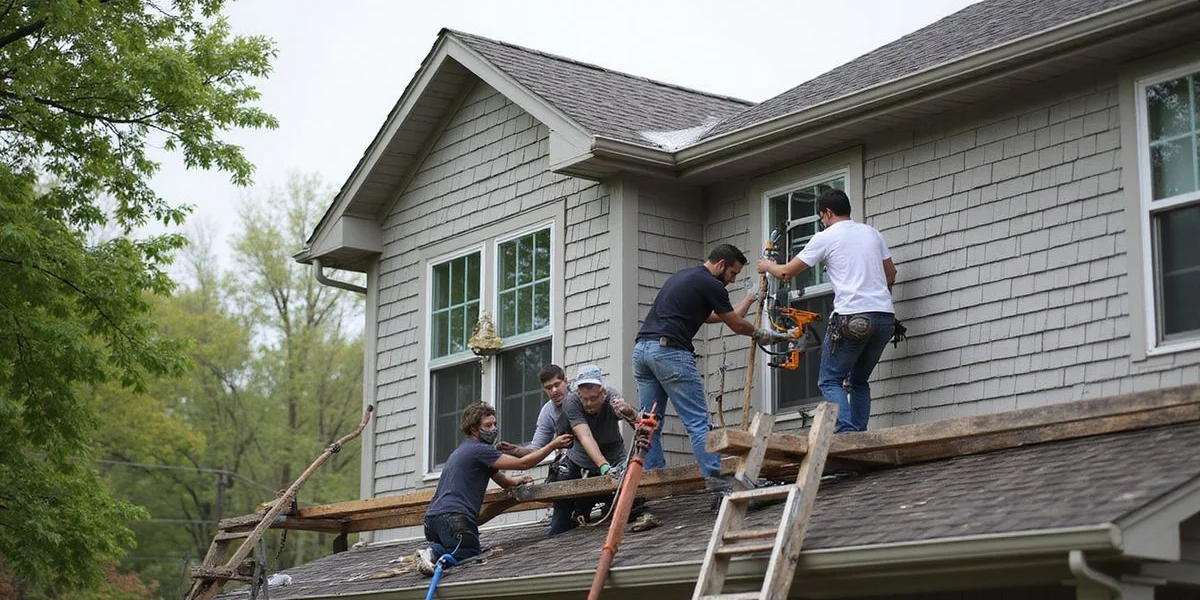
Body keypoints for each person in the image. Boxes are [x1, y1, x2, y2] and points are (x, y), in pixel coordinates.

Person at [633, 244, 787, 493]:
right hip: (670, 353)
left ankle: (651, 481)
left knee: (649, 423)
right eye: (732, 273)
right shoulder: (711, 284)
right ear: (721, 264)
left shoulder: (684, 277)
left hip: (642, 352)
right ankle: (717, 481)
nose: (733, 279)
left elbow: (722, 317)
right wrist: (761, 334)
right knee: (697, 422)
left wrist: (749, 298)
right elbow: (736, 325)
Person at [757, 188, 897, 434]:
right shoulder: (872, 234)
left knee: (830, 380)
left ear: (828, 213)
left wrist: (767, 265)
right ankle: (859, 435)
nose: (822, 222)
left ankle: (845, 435)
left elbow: (787, 272)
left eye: (821, 218)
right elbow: (891, 274)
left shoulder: (826, 237)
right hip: (885, 317)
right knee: (859, 381)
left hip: (851, 317)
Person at [418, 402, 573, 575]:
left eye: (495, 424)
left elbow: (502, 480)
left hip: (432, 520)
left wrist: (516, 481)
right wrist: (553, 445)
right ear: (474, 429)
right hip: (453, 519)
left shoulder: (463, 450)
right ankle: (434, 552)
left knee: (453, 560)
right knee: (469, 552)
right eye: (488, 425)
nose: (493, 429)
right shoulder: (480, 450)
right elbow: (524, 463)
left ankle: (435, 554)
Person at [548, 365, 656, 535]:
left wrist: (630, 413)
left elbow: (643, 429)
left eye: (593, 398)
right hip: (580, 464)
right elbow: (585, 437)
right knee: (560, 523)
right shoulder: (571, 401)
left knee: (632, 507)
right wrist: (603, 466)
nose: (588, 404)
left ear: (603, 393)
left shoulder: (613, 397)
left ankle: (608, 509)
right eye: (584, 399)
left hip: (615, 460)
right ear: (577, 394)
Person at [496, 364, 570, 458]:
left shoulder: (583, 399)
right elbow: (536, 449)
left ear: (566, 382)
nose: (554, 391)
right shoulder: (547, 412)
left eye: (557, 385)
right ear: (544, 389)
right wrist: (515, 450)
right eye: (549, 388)